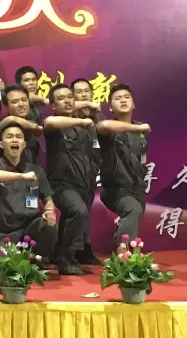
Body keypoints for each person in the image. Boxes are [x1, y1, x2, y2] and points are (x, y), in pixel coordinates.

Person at [0, 122, 58, 261]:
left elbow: (48, 200)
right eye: (9, 137)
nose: (14, 140)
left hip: (29, 231)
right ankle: (29, 258)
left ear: (24, 144)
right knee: (0, 258)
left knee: (49, 225)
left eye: (19, 137)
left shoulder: (35, 170)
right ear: (1, 144)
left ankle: (34, 257)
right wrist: (22, 176)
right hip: (2, 235)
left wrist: (49, 211)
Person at [44, 83, 99, 275]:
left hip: (84, 185)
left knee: (72, 216)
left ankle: (59, 253)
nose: (67, 101)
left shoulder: (85, 128)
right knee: (78, 211)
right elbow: (50, 122)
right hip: (62, 185)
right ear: (53, 105)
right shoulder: (55, 126)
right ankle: (66, 258)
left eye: (69, 97)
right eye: (61, 98)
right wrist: (81, 122)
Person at [97, 84, 149, 254]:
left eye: (127, 97)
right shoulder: (108, 128)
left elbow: (142, 159)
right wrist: (136, 128)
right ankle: (122, 251)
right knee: (133, 209)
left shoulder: (141, 130)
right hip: (115, 188)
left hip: (137, 187)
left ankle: (131, 254)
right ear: (110, 108)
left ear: (134, 104)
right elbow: (103, 126)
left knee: (135, 214)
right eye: (118, 98)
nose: (123, 100)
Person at [68, 78, 105, 265]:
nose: (83, 95)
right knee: (77, 212)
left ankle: (84, 249)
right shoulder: (67, 119)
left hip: (90, 176)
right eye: (79, 92)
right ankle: (69, 251)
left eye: (86, 91)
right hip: (69, 178)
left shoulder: (98, 119)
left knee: (85, 212)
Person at [0, 85, 44, 164]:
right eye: (15, 102)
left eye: (24, 100)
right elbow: (5, 122)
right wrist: (12, 119)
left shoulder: (34, 122)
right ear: (6, 107)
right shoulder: (1, 127)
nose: (21, 104)